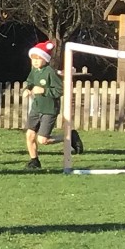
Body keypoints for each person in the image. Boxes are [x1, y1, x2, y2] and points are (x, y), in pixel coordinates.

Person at [23, 38, 83, 169]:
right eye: (33, 59)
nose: (35, 61)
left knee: (42, 140)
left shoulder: (50, 72)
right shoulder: (34, 71)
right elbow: (30, 82)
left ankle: (69, 136)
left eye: (38, 58)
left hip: (49, 109)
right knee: (29, 135)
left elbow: (60, 90)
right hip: (36, 108)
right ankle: (34, 161)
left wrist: (44, 90)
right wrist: (27, 89)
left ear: (45, 59)